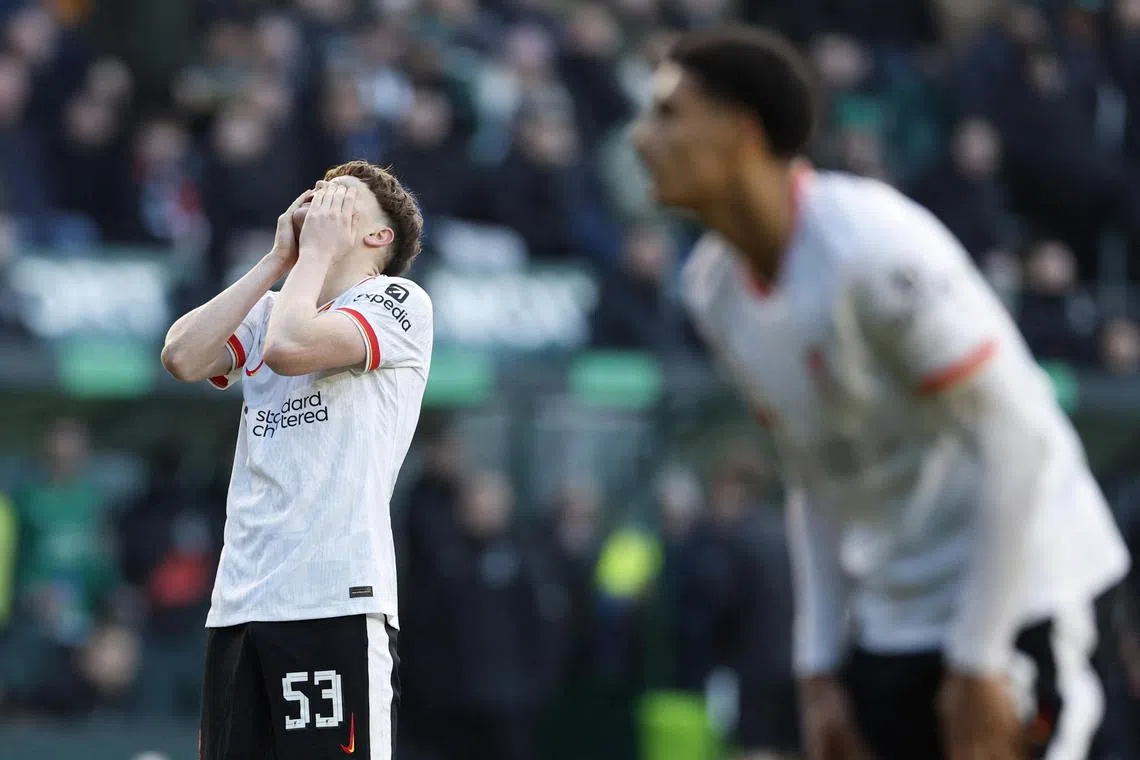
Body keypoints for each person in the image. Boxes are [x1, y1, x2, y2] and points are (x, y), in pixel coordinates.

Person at [632, 25, 1130, 760]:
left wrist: (979, 657)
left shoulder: (873, 249)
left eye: (669, 113)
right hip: (895, 613)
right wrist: (818, 668)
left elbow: (1020, 442)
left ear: (741, 132)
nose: (643, 139)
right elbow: (814, 474)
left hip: (1024, 594)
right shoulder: (714, 294)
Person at [161, 159, 432, 760]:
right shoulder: (273, 304)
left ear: (378, 236)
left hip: (333, 597)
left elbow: (288, 349)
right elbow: (181, 356)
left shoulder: (397, 301)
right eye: (317, 194)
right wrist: (277, 261)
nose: (321, 205)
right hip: (240, 600)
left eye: (342, 200)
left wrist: (310, 260)